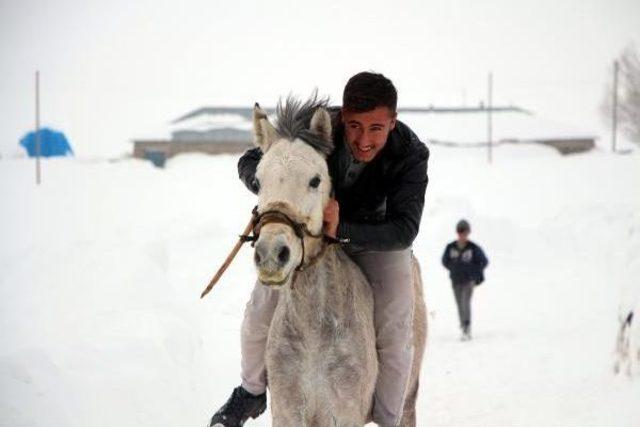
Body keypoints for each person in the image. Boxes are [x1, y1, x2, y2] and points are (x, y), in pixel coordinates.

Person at [208, 72, 429, 427]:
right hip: (312, 234)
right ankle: (249, 392)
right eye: (355, 126)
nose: (364, 139)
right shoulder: (317, 128)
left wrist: (341, 227)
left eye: (376, 128)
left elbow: (404, 229)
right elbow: (254, 159)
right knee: (261, 304)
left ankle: (390, 418)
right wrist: (273, 191)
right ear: (342, 117)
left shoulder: (411, 153)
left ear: (393, 122)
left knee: (396, 326)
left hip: (379, 237)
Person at [441, 219, 488, 341]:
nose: (462, 233)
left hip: (468, 281)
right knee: (459, 304)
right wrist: (454, 267)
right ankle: (463, 325)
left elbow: (483, 261)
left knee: (465, 302)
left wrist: (474, 272)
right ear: (457, 232)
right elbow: (444, 260)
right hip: (455, 280)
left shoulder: (473, 248)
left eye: (464, 231)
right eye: (460, 231)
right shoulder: (450, 247)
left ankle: (467, 327)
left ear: (468, 232)